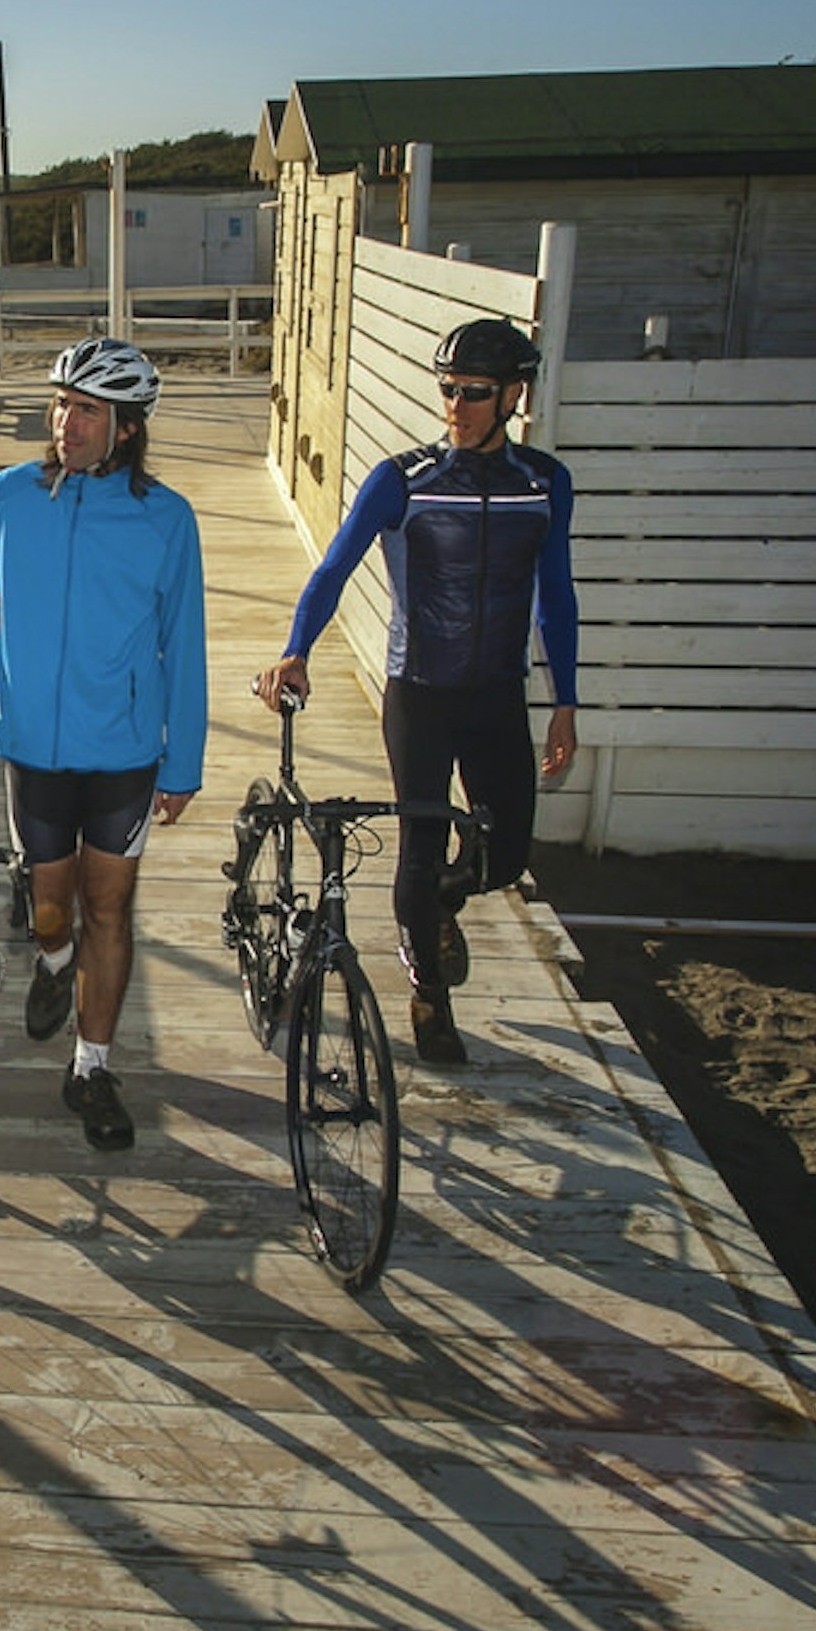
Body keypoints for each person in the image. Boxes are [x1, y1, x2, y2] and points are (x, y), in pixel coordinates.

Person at [253, 316, 577, 1069]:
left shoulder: (544, 483)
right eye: (448, 391)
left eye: (474, 393)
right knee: (420, 849)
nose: (456, 406)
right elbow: (335, 566)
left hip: (498, 693)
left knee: (504, 856)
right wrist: (297, 648)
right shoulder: (406, 480)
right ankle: (431, 998)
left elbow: (556, 595)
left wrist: (566, 700)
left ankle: (446, 906)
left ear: (513, 396)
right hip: (421, 692)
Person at [0, 335, 207, 1152]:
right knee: (53, 911)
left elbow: (184, 645)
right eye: (61, 404)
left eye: (87, 410)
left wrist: (182, 762)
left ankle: (91, 1064)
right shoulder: (9, 498)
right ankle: (51, 962)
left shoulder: (166, 519)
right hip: (34, 752)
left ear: (128, 428)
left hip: (124, 754)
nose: (65, 423)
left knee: (109, 906)